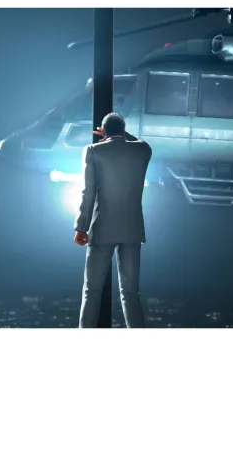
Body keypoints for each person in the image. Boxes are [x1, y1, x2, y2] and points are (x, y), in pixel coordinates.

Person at [73, 112, 152, 328]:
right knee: (130, 293)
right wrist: (119, 134)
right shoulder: (143, 150)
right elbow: (137, 141)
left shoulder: (93, 151)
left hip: (102, 229)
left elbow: (88, 192)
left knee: (92, 291)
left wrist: (81, 227)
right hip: (132, 230)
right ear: (123, 129)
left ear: (104, 131)